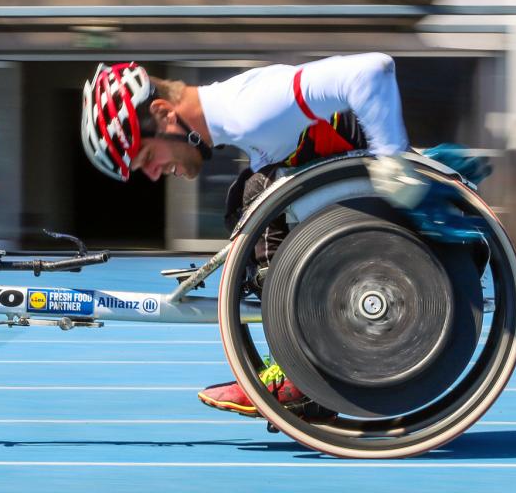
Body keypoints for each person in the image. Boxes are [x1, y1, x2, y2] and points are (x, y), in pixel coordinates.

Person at [79, 54, 421, 421]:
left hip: (378, 216)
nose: (152, 174)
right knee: (246, 197)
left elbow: (372, 70)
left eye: (146, 156)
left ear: (164, 114)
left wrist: (392, 160)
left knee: (257, 201)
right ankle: (302, 371)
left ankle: (303, 375)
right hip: (347, 210)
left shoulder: (251, 109)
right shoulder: (239, 120)